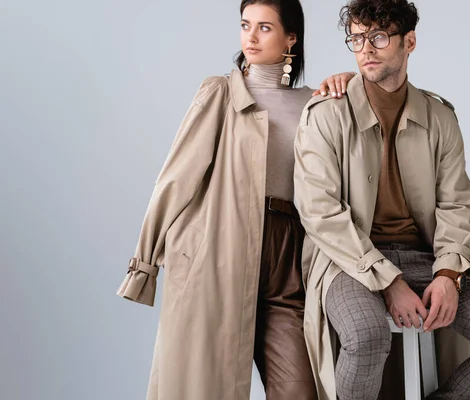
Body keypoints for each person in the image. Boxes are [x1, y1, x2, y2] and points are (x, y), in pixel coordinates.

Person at [293, 1, 470, 399]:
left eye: (378, 36)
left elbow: (457, 205)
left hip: (426, 258)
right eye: (356, 37)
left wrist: (449, 275)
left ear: (410, 42)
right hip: (347, 262)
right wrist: (388, 280)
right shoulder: (326, 115)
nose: (365, 48)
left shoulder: (440, 117)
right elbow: (319, 213)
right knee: (368, 336)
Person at [116, 1, 354, 399]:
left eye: (264, 27)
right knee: (206, 387)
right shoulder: (220, 93)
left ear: (290, 37)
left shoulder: (315, 103)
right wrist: (144, 265)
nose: (251, 36)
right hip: (218, 251)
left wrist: (354, 80)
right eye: (246, 26)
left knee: (301, 390)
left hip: (289, 252)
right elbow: (175, 180)